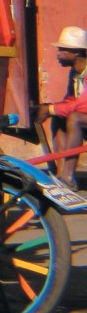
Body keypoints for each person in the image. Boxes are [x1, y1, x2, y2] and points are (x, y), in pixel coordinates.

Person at [40, 26, 87, 190]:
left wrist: (52, 109)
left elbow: (83, 104)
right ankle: (62, 175)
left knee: (74, 117)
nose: (57, 53)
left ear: (77, 53)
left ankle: (68, 176)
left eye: (62, 49)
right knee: (60, 118)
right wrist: (51, 109)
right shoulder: (74, 73)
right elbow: (70, 101)